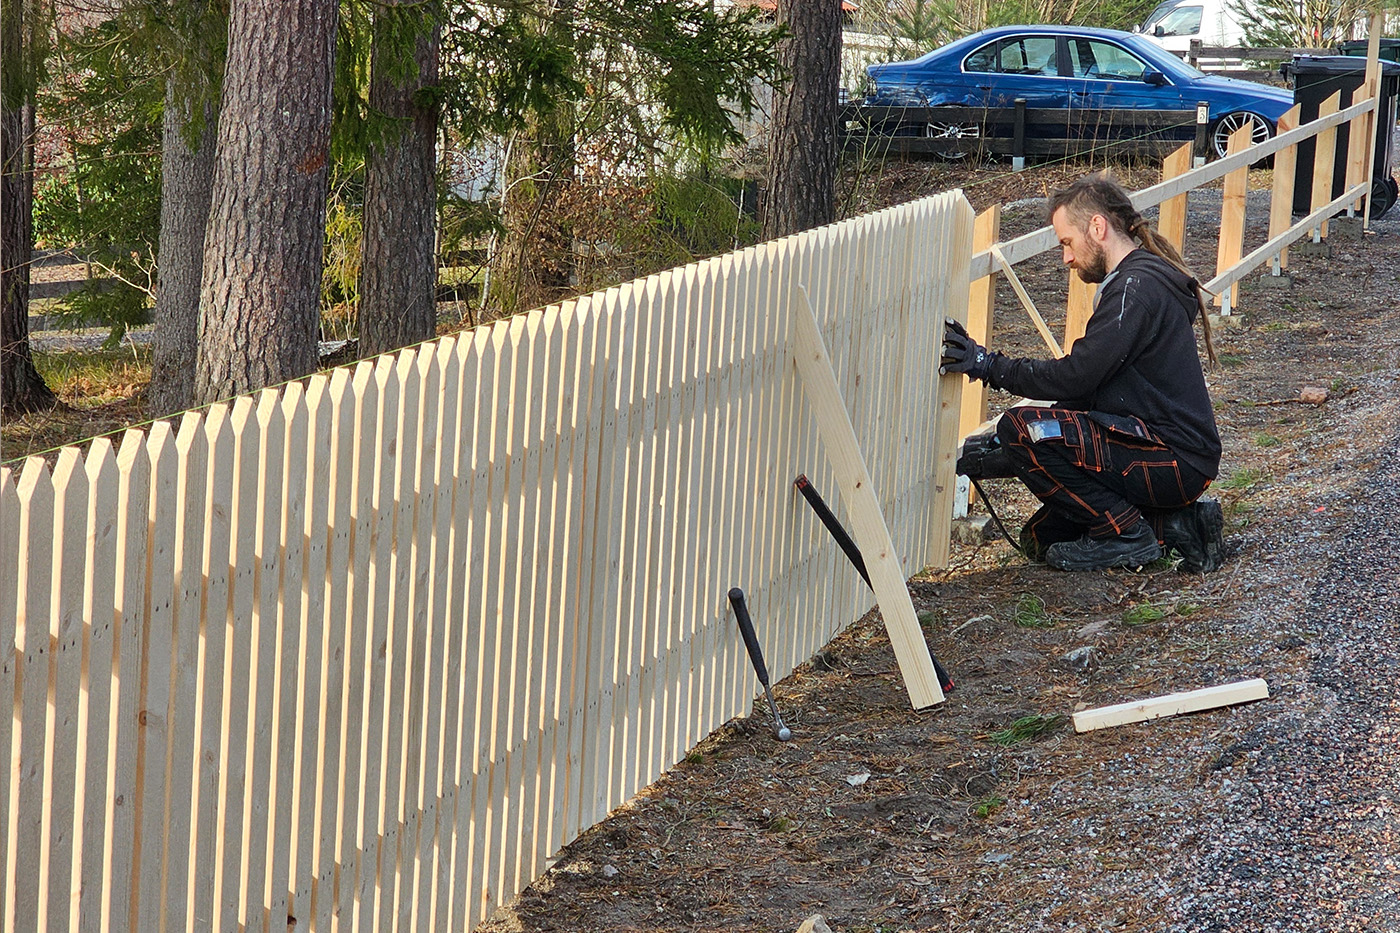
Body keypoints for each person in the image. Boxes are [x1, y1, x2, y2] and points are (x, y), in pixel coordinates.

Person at [941, 173, 1225, 573]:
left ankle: (1128, 536)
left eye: (1067, 243)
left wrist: (987, 365)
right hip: (1165, 454)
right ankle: (1179, 526)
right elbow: (1087, 394)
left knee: (1020, 427)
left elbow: (1076, 376)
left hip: (1172, 460)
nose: (1067, 258)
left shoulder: (1136, 291)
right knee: (1041, 539)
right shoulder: (1136, 282)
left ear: (1097, 227)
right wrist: (1003, 458)